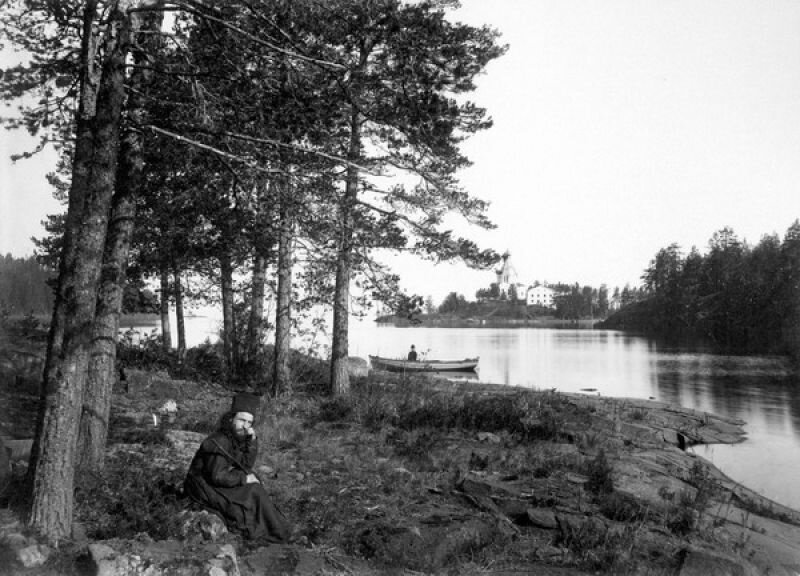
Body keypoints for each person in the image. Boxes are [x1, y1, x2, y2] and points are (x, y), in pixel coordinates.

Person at [184, 393, 291, 544]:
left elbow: (245, 466)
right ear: (231, 419)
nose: (245, 425)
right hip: (202, 487)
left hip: (214, 479)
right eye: (241, 420)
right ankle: (274, 532)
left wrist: (252, 442)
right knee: (252, 489)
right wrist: (243, 479)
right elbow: (217, 476)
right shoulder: (220, 440)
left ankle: (277, 528)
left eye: (249, 422)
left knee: (254, 481)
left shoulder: (235, 437)